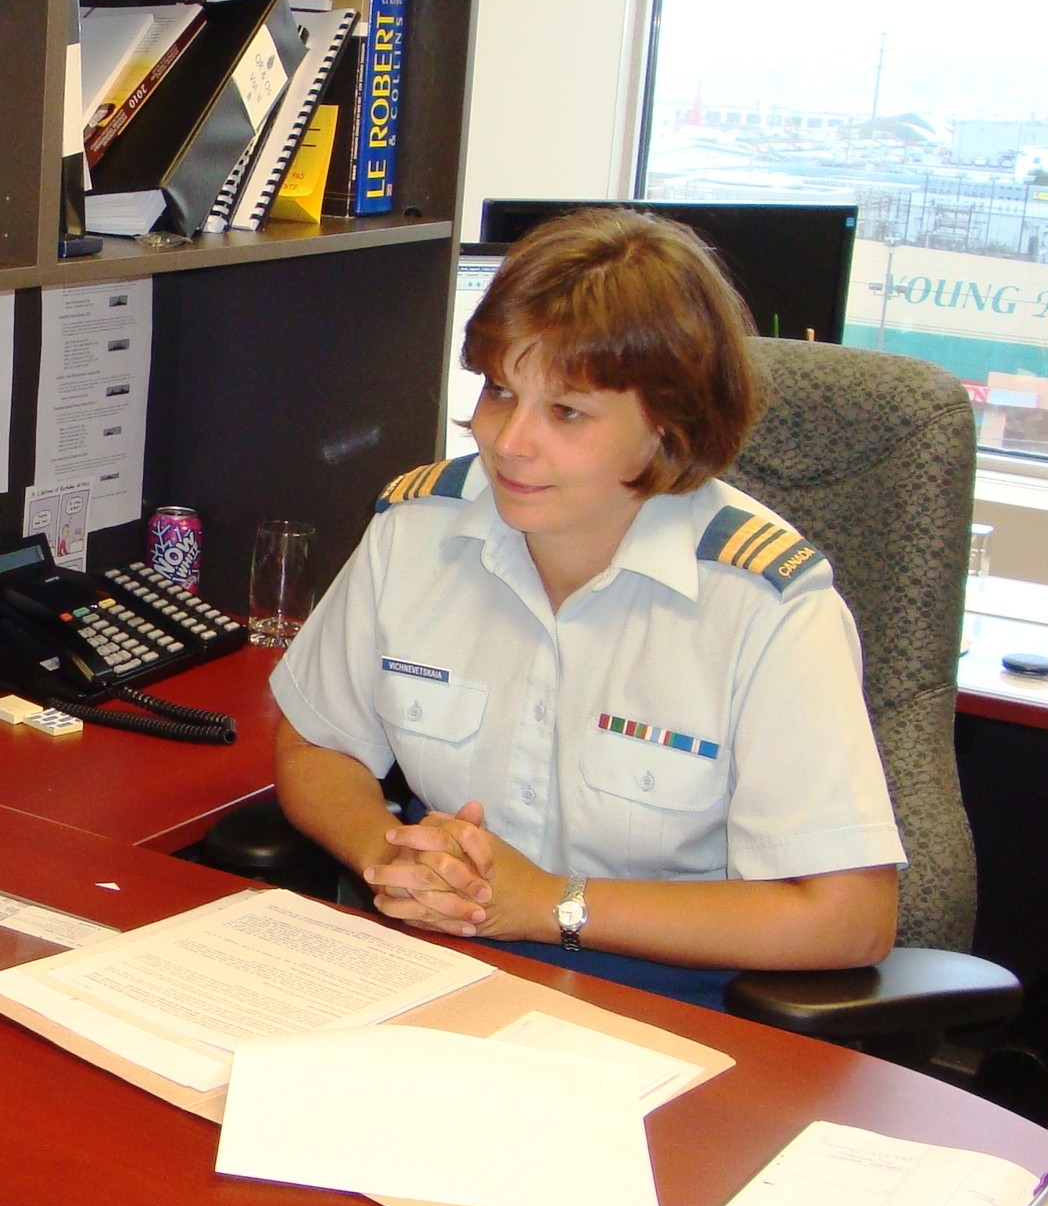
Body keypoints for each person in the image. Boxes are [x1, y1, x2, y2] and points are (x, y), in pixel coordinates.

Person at [270, 208, 902, 1008]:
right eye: (501, 392)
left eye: (567, 412)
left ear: (667, 429)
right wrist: (392, 856)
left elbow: (848, 917)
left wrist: (551, 905)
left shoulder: (762, 604)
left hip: (665, 1003)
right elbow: (316, 743)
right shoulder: (417, 531)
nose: (509, 441)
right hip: (433, 970)